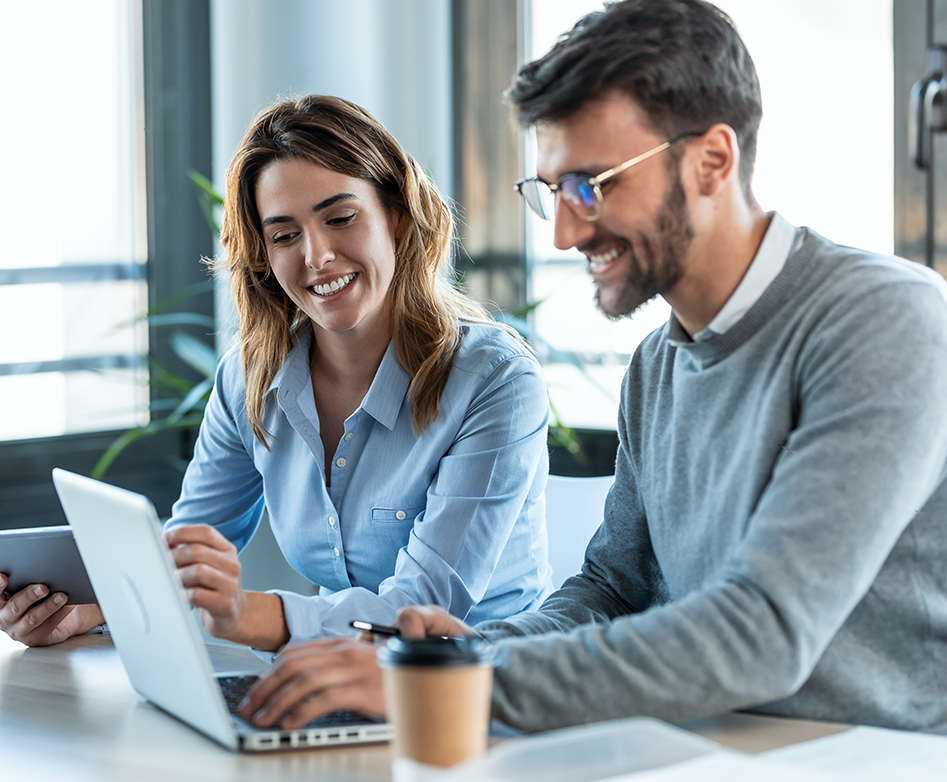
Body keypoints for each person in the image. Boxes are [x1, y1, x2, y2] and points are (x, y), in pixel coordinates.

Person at [228, 0, 947, 735]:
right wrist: (452, 657)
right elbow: (611, 587)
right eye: (550, 191)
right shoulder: (658, 365)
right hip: (701, 742)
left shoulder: (886, 321)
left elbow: (760, 632)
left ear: (712, 160)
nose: (567, 231)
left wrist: (464, 682)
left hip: (865, 753)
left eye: (590, 186)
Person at [0, 95, 552, 651]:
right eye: (285, 234)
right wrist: (87, 613)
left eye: (341, 218)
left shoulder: (495, 380)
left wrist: (243, 615)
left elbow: (417, 609)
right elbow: (189, 552)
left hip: (484, 688)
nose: (316, 256)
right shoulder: (249, 380)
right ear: (264, 253)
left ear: (399, 216)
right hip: (337, 681)